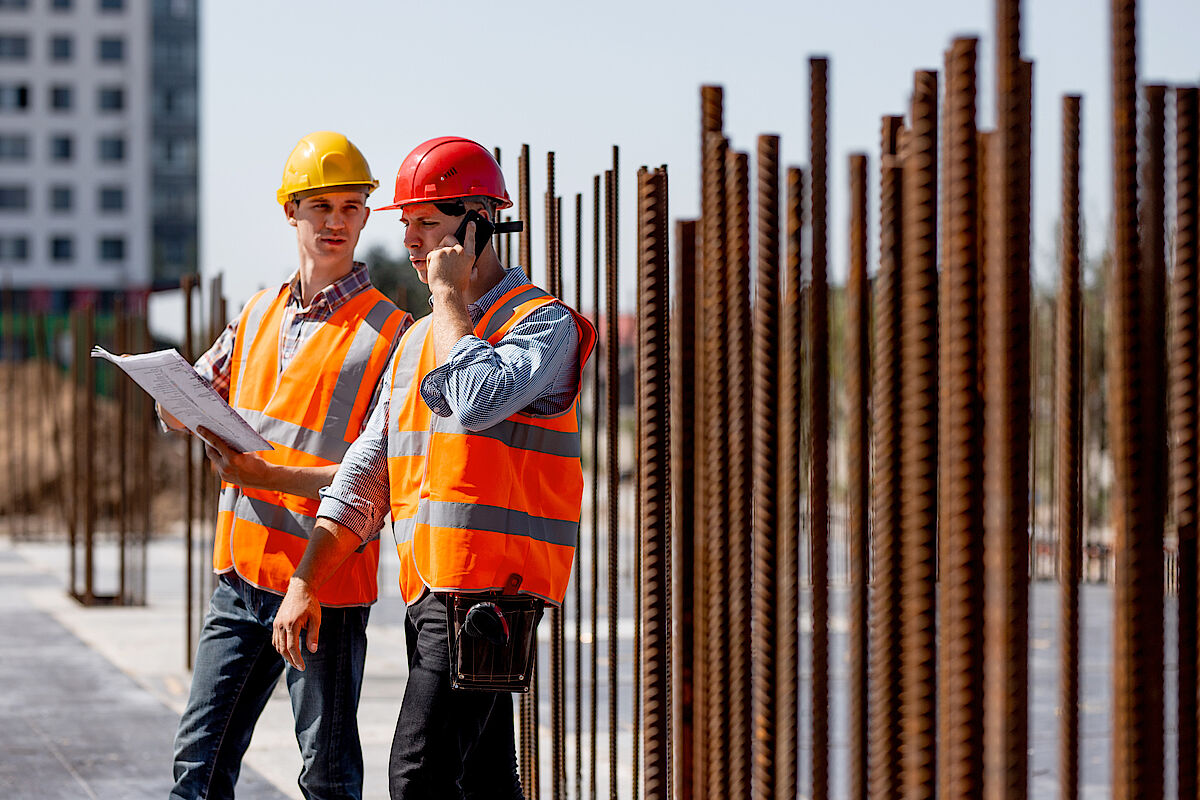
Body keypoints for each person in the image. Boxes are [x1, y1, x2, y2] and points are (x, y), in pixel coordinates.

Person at [271, 136, 596, 799]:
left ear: (479, 220)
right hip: (432, 596)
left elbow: (476, 401)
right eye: (407, 224)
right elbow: (369, 473)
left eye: (430, 223)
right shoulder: (420, 340)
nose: (414, 242)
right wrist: (305, 581)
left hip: (492, 598)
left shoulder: (543, 324)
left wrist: (450, 299)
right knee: (483, 782)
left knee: (416, 777)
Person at [164, 131, 413, 800]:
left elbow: (382, 478)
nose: (335, 221)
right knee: (199, 767)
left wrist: (271, 479)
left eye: (350, 206)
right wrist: (171, 400)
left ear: (365, 215)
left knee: (326, 778)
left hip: (324, 582)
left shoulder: (391, 334)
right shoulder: (256, 314)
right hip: (242, 575)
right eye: (319, 206)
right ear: (290, 212)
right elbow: (192, 395)